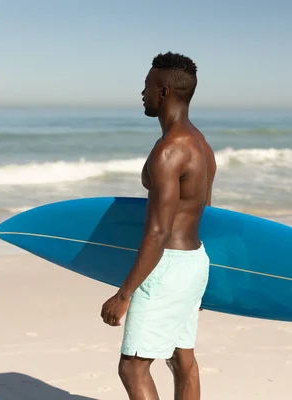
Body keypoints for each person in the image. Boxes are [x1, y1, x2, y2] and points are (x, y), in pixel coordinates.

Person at [100, 52, 217, 400]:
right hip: (194, 261)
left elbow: (157, 232)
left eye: (147, 85)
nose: (142, 93)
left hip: (166, 266)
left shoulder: (168, 151)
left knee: (133, 366)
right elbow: (205, 210)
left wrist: (123, 295)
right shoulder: (201, 145)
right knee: (182, 359)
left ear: (163, 92)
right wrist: (194, 282)